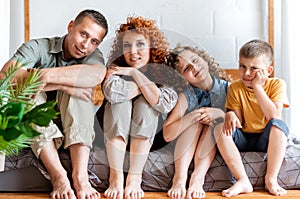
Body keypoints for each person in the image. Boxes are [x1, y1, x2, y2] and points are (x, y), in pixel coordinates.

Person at [1, 9, 108, 199]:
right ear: (70, 27)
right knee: (28, 94)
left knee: (80, 93)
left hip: (72, 128)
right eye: (83, 34)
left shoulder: (94, 56)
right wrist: (65, 85)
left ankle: (80, 177)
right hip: (38, 129)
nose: (86, 45)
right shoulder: (38, 46)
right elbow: (5, 76)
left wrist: (45, 76)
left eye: (94, 41)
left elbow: (96, 75)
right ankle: (59, 176)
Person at [102, 16, 178, 199]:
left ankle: (135, 178)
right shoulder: (115, 68)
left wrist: (134, 74)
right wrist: (148, 87)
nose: (133, 51)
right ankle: (116, 176)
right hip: (113, 129)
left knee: (146, 105)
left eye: (140, 44)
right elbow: (113, 93)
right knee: (121, 103)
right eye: (127, 45)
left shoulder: (165, 71)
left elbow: (164, 104)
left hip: (150, 135)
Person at [217, 39, 289, 197]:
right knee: (219, 128)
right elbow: (239, 122)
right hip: (244, 138)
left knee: (279, 125)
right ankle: (242, 180)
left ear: (268, 71)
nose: (246, 73)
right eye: (242, 66)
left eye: (254, 68)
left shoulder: (277, 84)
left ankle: (271, 179)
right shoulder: (235, 87)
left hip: (266, 138)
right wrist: (229, 114)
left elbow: (273, 116)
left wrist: (257, 87)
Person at [163, 44, 232, 199]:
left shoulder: (229, 89)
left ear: (205, 59)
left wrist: (219, 113)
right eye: (186, 68)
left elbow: (241, 123)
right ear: (182, 78)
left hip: (217, 137)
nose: (194, 67)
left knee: (213, 122)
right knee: (196, 121)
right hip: (188, 140)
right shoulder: (186, 95)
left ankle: (197, 179)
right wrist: (195, 115)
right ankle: (179, 179)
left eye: (195, 60)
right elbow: (167, 135)